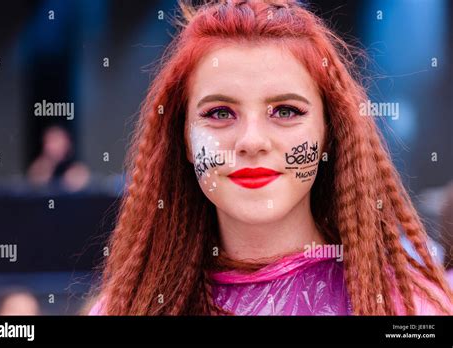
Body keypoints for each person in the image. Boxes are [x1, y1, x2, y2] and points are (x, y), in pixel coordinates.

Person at [88, 0, 452, 315]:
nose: (252, 141)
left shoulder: (409, 307)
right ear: (183, 139)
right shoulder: (128, 307)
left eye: (286, 111)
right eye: (219, 113)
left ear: (329, 134)